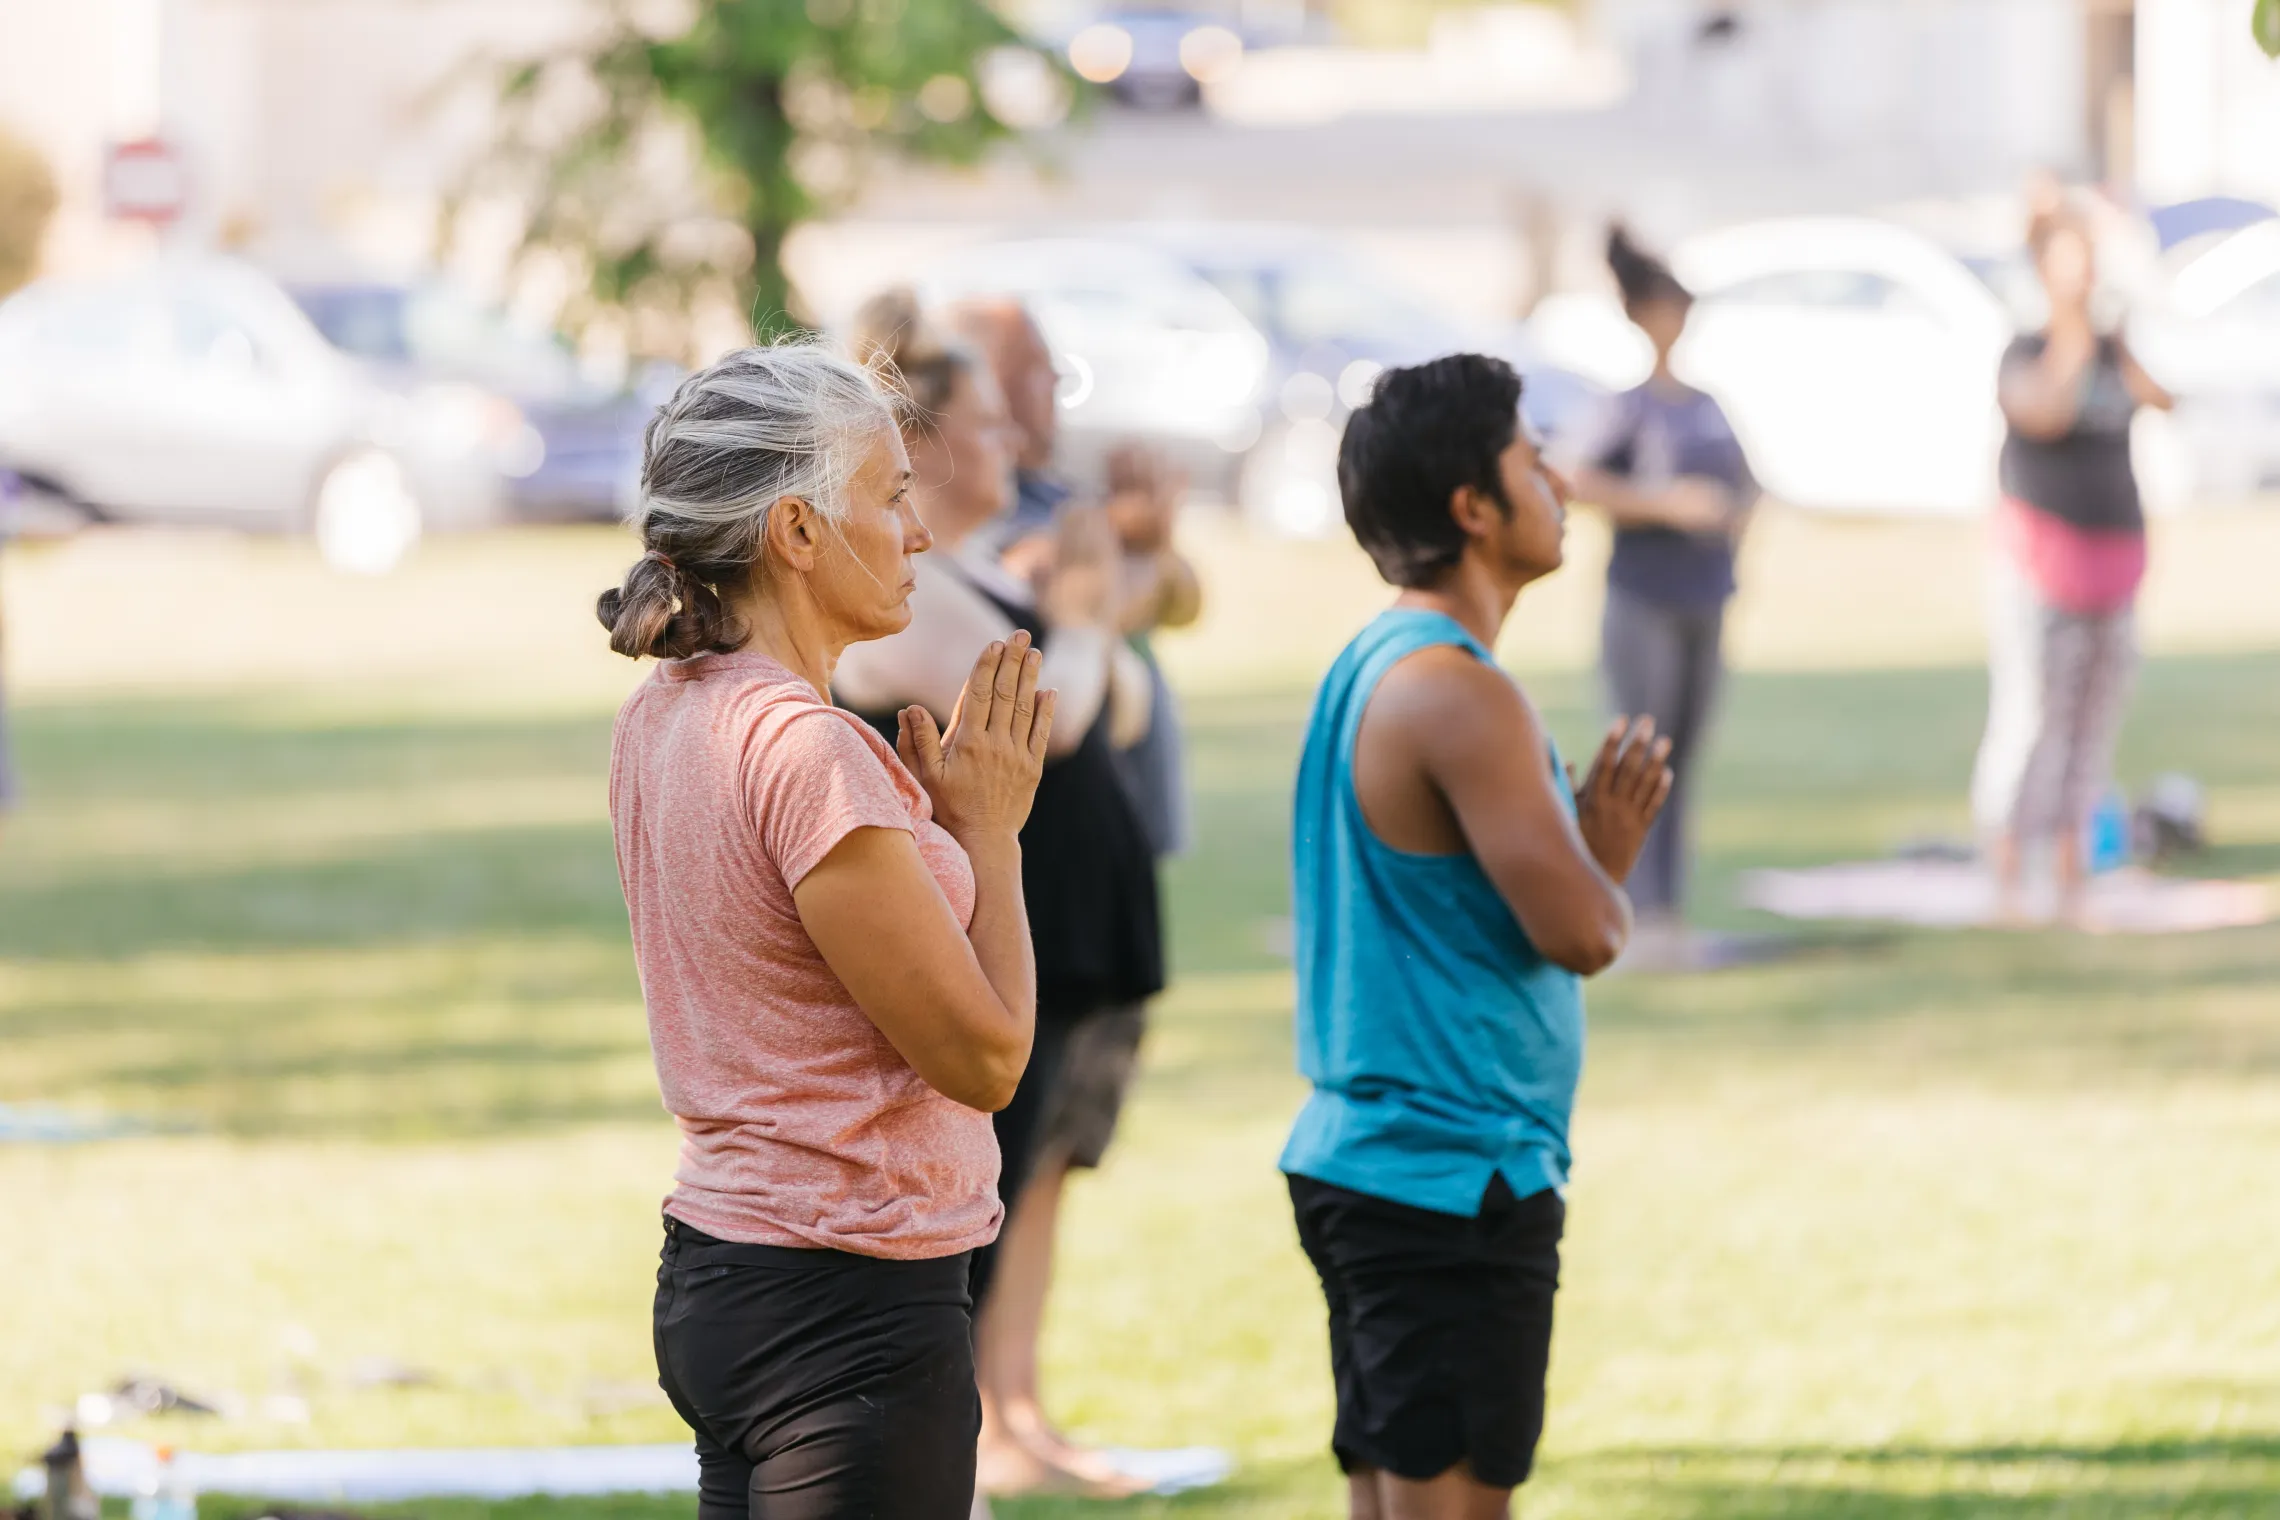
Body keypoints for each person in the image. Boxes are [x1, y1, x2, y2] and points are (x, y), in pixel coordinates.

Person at [603, 341, 1058, 1520]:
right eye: (892, 493)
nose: (916, 529)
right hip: (846, 1306)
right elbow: (987, 1057)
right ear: (798, 531)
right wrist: (992, 834)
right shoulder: (807, 749)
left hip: (730, 1269)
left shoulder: (662, 716)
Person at [1283, 353, 1672, 1520]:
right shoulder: (1461, 691)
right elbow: (1586, 933)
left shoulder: (1373, 658)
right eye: (1529, 460)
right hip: (1452, 1174)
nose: (1558, 481)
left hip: (1378, 1159)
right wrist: (1608, 847)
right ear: (1473, 507)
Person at [831, 294, 1167, 1497]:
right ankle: (962, 1452)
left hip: (1051, 917)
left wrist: (1097, 609)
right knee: (972, 1204)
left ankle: (1000, 1425)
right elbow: (1052, 714)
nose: (1015, 443)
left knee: (1026, 1185)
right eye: (986, 420)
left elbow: (1105, 697)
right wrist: (1081, 619)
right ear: (916, 444)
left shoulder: (967, 572)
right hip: (984, 930)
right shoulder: (902, 596)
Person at [953, 301, 1203, 1493]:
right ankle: (981, 1419)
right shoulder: (975, 548)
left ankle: (1021, 1403)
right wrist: (1099, 582)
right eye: (1008, 385)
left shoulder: (1064, 522)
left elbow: (1166, 595)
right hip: (1030, 898)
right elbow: (1062, 683)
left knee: (1052, 1165)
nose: (1030, 406)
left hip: (1103, 897)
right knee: (1001, 1170)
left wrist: (1136, 555)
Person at [1551, 226, 1756, 955]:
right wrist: (1667, 503)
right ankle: (1629, 906)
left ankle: (1669, 904)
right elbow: (1576, 477)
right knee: (1642, 756)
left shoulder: (1706, 403)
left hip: (1706, 596)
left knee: (1685, 757)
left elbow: (1746, 485)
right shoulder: (1626, 407)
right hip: (1645, 598)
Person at [1971, 196, 2172, 922]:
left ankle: (2070, 860)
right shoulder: (2026, 350)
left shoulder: (2119, 347)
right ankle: (2005, 863)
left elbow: (2165, 398)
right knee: (2034, 718)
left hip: (2113, 559)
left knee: (2094, 720)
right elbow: (2042, 411)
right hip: (2043, 565)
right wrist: (2074, 343)